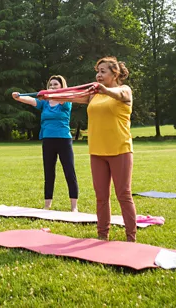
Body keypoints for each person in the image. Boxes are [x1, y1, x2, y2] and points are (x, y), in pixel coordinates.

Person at [64, 57, 136, 242]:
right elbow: (70, 96)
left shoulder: (123, 89)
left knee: (123, 194)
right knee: (101, 196)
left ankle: (131, 237)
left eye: (103, 71)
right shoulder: (94, 95)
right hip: (97, 150)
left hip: (120, 148)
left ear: (115, 73)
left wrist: (104, 89)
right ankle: (102, 235)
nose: (99, 74)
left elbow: (122, 97)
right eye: (98, 71)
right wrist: (47, 95)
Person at [12, 75, 79, 211]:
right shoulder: (45, 103)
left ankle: (74, 207)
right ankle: (47, 205)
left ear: (61, 87)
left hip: (63, 140)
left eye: (55, 85)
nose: (53, 87)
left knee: (69, 172)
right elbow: (31, 100)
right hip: (48, 139)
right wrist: (18, 96)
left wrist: (48, 95)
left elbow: (61, 98)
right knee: (49, 173)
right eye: (50, 85)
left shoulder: (65, 100)